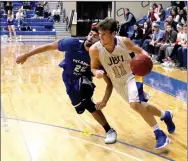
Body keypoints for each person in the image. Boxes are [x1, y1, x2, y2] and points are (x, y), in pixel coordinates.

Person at [16, 27, 117, 144]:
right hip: (68, 79)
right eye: (90, 34)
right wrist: (26, 55)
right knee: (79, 109)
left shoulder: (99, 56)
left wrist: (104, 100)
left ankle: (109, 130)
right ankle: (80, 101)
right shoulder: (73, 43)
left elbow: (109, 83)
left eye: (95, 36)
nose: (91, 37)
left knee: (87, 101)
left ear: (99, 41)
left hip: (84, 80)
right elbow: (49, 46)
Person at [89, 18, 176, 150]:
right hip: (118, 83)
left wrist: (146, 60)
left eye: (104, 34)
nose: (100, 37)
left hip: (133, 76)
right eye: (99, 34)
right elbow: (93, 67)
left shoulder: (123, 41)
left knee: (135, 104)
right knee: (143, 106)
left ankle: (159, 134)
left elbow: (140, 51)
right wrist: (96, 72)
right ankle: (165, 115)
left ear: (112, 33)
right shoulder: (95, 49)